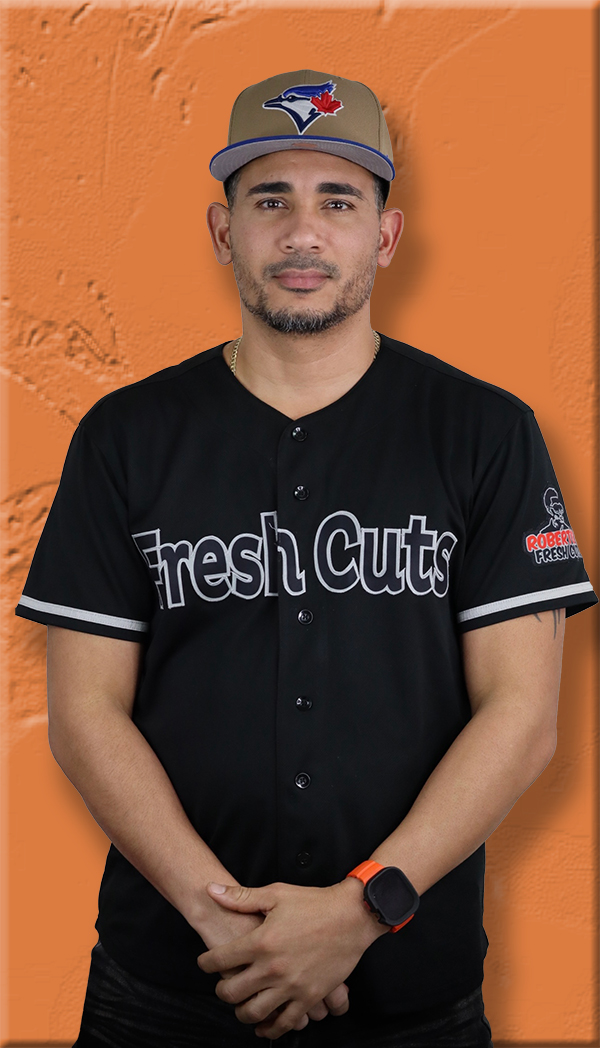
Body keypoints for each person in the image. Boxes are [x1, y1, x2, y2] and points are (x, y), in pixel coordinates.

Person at [15, 70, 597, 1048]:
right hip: (166, 989)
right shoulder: (126, 436)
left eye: (338, 201)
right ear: (222, 230)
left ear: (386, 235)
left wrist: (361, 910)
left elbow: (522, 716)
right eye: (269, 200)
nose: (301, 233)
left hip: (409, 995)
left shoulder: (486, 433)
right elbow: (83, 714)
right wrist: (230, 928)